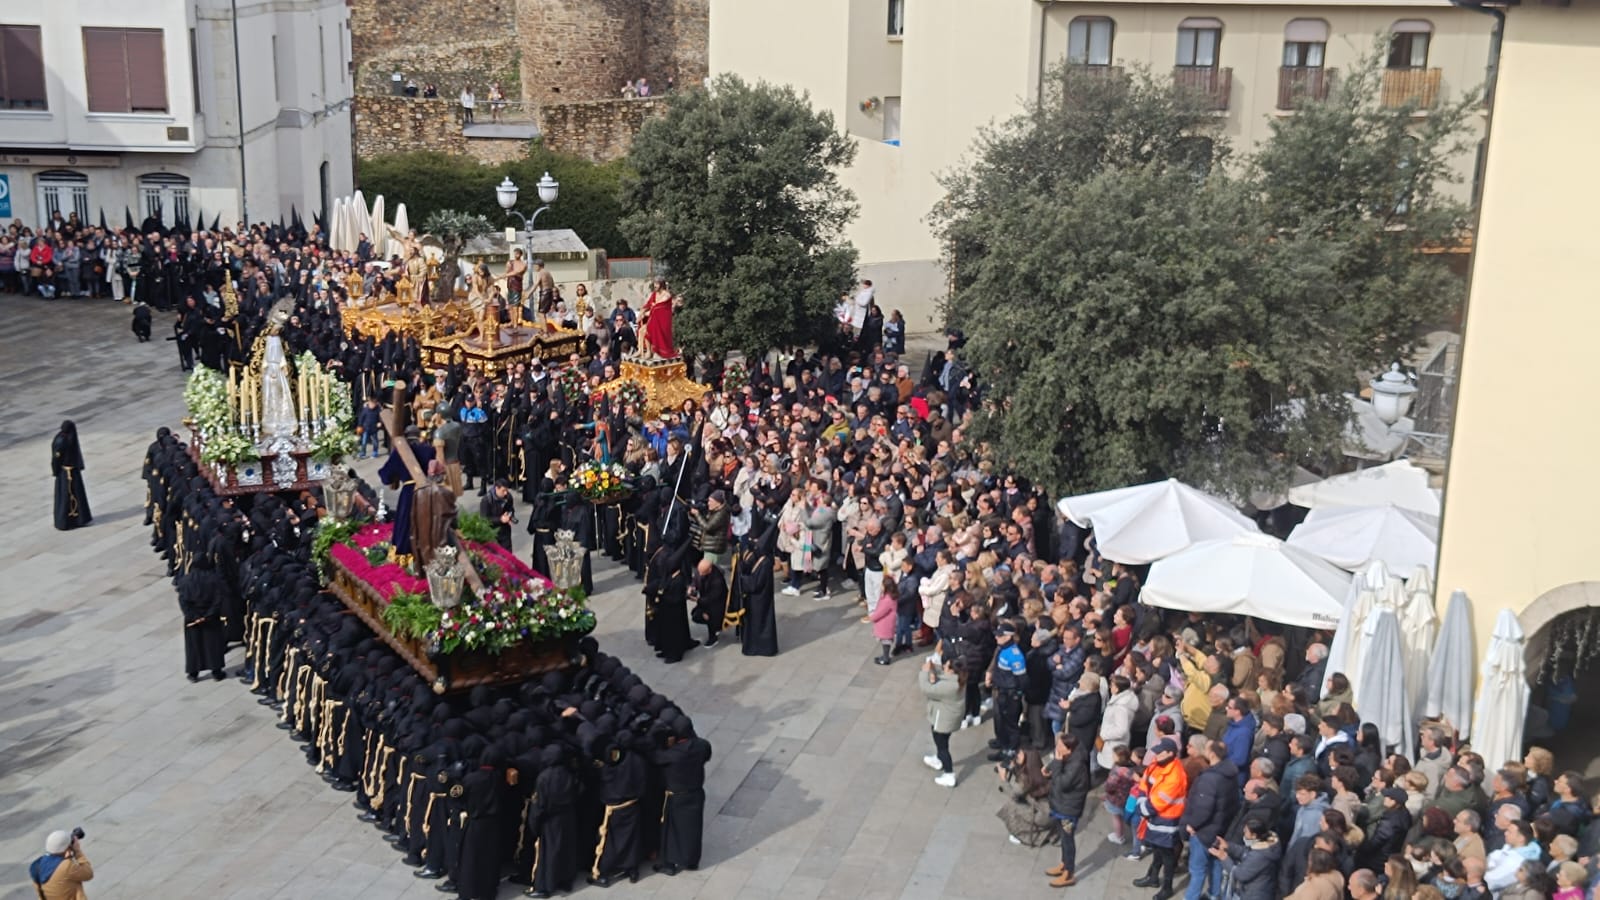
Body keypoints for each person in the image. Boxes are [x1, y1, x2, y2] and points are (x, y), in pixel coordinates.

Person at [1133, 738, 1189, 900]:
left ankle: (1167, 887)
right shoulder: (1157, 765)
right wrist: (1143, 799)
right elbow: (1145, 783)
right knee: (1158, 850)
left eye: (1160, 752)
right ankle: (1153, 877)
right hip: (1155, 819)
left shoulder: (1175, 776)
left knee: (1167, 854)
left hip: (1167, 821)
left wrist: (1140, 806)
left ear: (1170, 753)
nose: (1156, 754)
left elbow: (1157, 803)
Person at [1044, 731, 1090, 888]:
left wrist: (1056, 763)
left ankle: (1069, 873)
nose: (1057, 748)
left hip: (1069, 810)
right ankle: (1064, 864)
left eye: (1060, 746)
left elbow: (1063, 783)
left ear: (1069, 749)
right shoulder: (1071, 757)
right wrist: (1052, 767)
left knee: (1068, 840)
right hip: (1061, 805)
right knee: (1063, 838)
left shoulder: (1076, 765)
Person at [919, 654, 964, 787]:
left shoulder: (950, 686)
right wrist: (934, 668)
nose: (943, 667)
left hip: (943, 721)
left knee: (942, 746)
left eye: (946, 666)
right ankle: (939, 759)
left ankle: (949, 774)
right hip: (948, 718)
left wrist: (925, 672)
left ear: (951, 670)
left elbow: (927, 689)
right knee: (942, 742)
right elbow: (942, 676)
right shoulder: (957, 679)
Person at [52, 421, 92, 530]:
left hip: (65, 473)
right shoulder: (66, 439)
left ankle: (68, 520)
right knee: (72, 495)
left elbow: (56, 459)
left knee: (68, 496)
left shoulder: (61, 438)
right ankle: (75, 519)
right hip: (71, 472)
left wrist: (55, 471)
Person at [29, 829, 92, 900]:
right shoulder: (66, 866)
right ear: (67, 848)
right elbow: (88, 874)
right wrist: (77, 852)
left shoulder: (36, 865)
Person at [480, 479, 516, 549]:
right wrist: (500, 519)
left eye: (507, 490)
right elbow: (484, 519)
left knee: (507, 555)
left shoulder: (508, 497)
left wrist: (510, 515)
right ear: (497, 488)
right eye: (503, 490)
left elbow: (511, 509)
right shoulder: (486, 500)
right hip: (492, 532)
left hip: (505, 531)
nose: (505, 493)